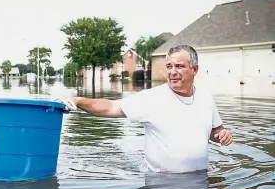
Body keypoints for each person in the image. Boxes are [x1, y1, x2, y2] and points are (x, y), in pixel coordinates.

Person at [64, 44, 233, 173]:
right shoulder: (152, 99)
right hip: (161, 185)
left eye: (179, 66)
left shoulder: (205, 97)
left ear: (194, 69)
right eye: (169, 66)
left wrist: (221, 136)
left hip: (200, 181)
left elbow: (215, 131)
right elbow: (110, 107)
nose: (172, 72)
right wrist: (78, 101)